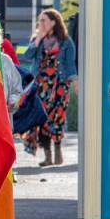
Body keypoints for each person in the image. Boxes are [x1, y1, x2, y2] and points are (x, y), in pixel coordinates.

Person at [22, 9, 77, 167]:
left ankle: (58, 152)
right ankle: (48, 156)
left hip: (60, 85)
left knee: (57, 119)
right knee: (43, 119)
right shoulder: (37, 39)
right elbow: (26, 57)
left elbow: (70, 64)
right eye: (40, 20)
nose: (41, 23)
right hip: (41, 86)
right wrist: (37, 40)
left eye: (44, 20)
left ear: (54, 22)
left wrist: (75, 81)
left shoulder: (66, 41)